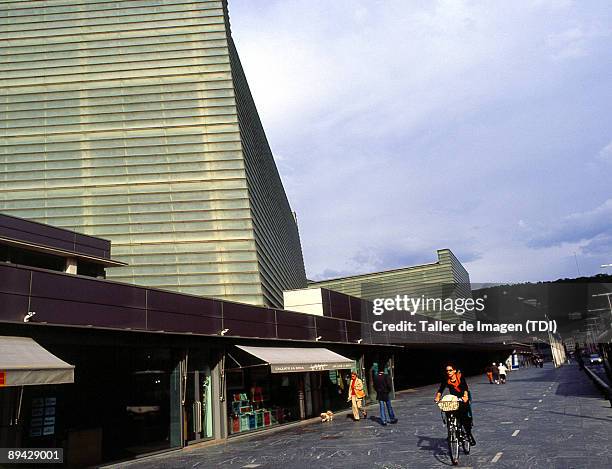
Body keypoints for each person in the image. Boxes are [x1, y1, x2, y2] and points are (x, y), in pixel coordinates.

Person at [434, 363, 476, 445]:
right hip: (453, 398)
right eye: (447, 371)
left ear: (454, 371)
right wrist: (438, 397)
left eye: (450, 370)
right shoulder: (446, 379)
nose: (448, 372)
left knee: (464, 417)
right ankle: (452, 432)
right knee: (448, 412)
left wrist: (465, 396)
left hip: (463, 397)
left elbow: (465, 387)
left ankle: (468, 434)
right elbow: (441, 389)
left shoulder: (460, 377)